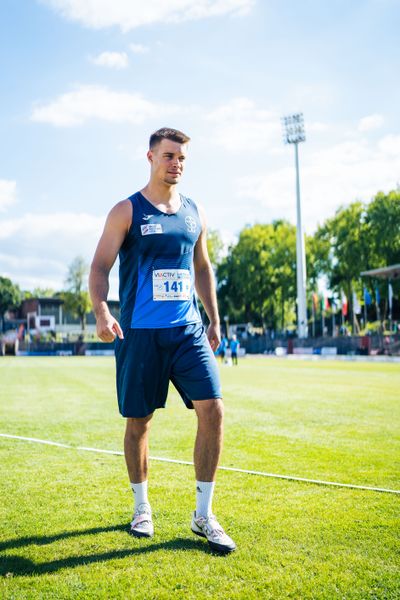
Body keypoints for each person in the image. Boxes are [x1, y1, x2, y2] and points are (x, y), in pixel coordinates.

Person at [89, 127, 236, 554]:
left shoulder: (195, 212)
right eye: (170, 155)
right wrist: (102, 310)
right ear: (150, 157)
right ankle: (141, 507)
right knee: (139, 423)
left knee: (214, 410)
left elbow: (203, 267)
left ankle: (203, 515)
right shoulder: (126, 211)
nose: (177, 164)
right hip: (139, 334)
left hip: (188, 331)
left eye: (183, 158)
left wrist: (213, 318)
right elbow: (100, 266)